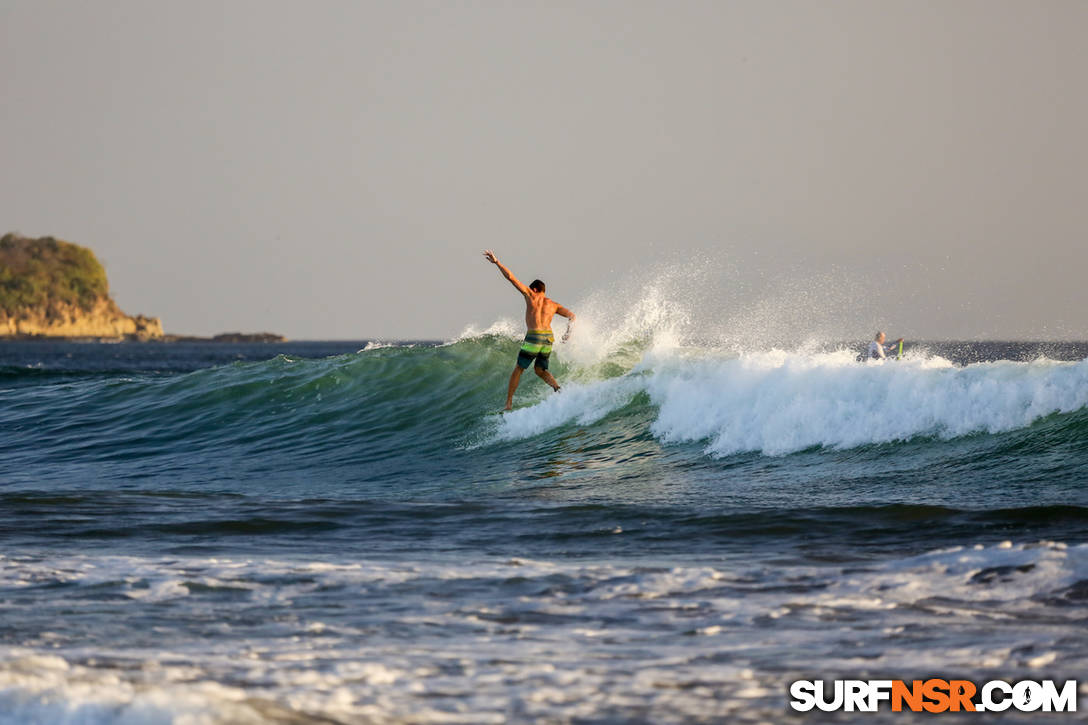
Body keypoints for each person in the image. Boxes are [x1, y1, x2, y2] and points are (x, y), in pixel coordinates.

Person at [483, 250, 575, 410]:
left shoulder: (530, 295)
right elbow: (572, 316)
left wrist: (497, 262)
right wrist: (568, 333)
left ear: (534, 289)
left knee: (519, 369)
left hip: (534, 337)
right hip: (548, 339)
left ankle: (508, 404)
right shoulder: (554, 305)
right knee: (540, 370)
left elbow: (511, 278)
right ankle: (557, 389)